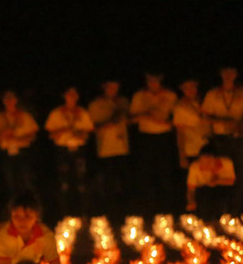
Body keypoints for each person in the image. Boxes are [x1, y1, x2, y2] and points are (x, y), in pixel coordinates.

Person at [130, 72, 178, 213]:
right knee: (145, 173)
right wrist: (146, 115)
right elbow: (131, 118)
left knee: (165, 172)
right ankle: (148, 208)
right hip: (145, 137)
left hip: (164, 137)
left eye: (155, 80)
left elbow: (176, 118)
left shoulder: (170, 95)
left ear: (161, 79)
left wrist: (159, 119)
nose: (152, 83)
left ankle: (167, 209)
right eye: (149, 80)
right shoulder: (139, 96)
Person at [45, 87, 94, 216]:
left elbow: (89, 131)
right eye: (69, 94)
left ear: (77, 96)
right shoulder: (56, 113)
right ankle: (65, 213)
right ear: (64, 96)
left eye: (74, 94)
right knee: (64, 181)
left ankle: (83, 212)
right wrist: (63, 130)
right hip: (63, 149)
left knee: (81, 180)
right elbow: (50, 133)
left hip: (79, 149)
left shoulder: (82, 112)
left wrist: (79, 133)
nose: (71, 97)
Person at [202, 66, 243, 213]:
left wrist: (238, 125)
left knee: (239, 175)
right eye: (225, 72)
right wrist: (223, 121)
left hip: (239, 139)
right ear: (220, 74)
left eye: (231, 72)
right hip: (220, 139)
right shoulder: (213, 94)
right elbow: (205, 117)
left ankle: (237, 210)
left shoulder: (241, 92)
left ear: (236, 74)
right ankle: (221, 211)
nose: (228, 75)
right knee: (220, 173)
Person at [88, 80, 130, 216]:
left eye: (116, 87)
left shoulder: (123, 102)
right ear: (104, 87)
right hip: (105, 148)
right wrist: (110, 122)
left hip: (122, 146)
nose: (113, 90)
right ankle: (109, 209)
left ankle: (124, 207)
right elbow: (92, 127)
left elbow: (128, 120)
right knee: (108, 180)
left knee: (122, 178)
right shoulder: (96, 104)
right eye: (110, 87)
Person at [0, 90, 39, 198]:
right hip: (6, 153)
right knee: (9, 182)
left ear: (16, 100)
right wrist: (2, 135)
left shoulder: (25, 116)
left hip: (22, 152)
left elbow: (33, 135)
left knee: (25, 180)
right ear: (3, 101)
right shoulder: (0, 117)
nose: (9, 101)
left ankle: (29, 203)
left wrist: (19, 138)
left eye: (11, 98)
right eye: (6, 98)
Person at [186, 146, 235, 219]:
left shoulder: (226, 163)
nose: (205, 164)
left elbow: (232, 181)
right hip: (203, 192)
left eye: (208, 162)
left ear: (215, 159)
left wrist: (216, 181)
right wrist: (191, 202)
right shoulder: (194, 168)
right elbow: (191, 189)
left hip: (222, 190)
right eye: (202, 161)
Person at [173, 79, 209, 172]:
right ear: (182, 89)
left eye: (192, 86)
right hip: (192, 149)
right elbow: (179, 132)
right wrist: (182, 156)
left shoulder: (205, 101)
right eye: (186, 87)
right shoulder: (180, 107)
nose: (190, 90)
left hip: (208, 146)